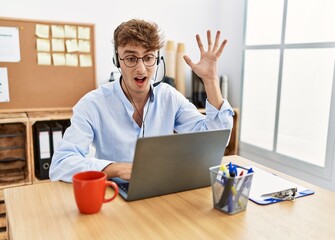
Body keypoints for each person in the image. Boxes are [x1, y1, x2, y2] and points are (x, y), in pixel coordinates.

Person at [49, 19, 234, 182]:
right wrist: (116, 169)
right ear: (117, 60)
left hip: (158, 190)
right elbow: (61, 164)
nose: (141, 68)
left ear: (157, 59)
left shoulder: (169, 97)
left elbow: (216, 139)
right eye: (131, 58)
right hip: (113, 193)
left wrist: (210, 81)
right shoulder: (92, 104)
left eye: (148, 58)